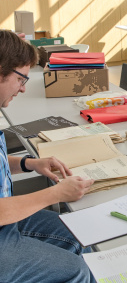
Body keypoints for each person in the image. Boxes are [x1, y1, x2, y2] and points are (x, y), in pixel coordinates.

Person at [0, 30, 95, 282]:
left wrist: (29, 163)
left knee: (79, 234)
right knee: (76, 271)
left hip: (6, 222)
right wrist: (55, 194)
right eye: (21, 79)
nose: (22, 89)